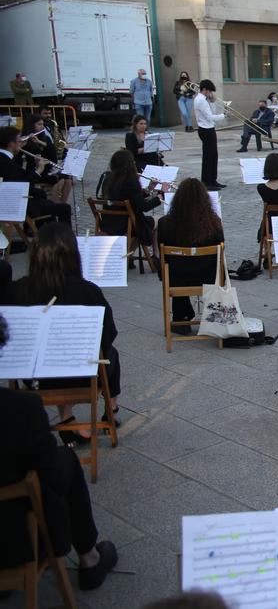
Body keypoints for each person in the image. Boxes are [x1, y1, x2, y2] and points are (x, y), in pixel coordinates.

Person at [5, 223, 125, 437]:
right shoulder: (88, 291)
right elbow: (108, 337)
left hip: (35, 378)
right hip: (83, 376)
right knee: (110, 354)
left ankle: (66, 417)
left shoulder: (17, 291)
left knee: (52, 353)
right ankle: (110, 408)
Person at [0, 381, 119, 591]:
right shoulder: (20, 407)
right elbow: (52, 477)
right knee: (64, 460)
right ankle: (89, 558)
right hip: (13, 542)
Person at [157, 178, 224, 334]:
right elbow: (221, 251)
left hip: (176, 279)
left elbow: (163, 257)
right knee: (216, 264)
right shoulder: (214, 224)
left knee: (174, 266)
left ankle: (181, 318)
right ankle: (214, 315)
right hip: (209, 278)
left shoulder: (164, 224)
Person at [0, 126, 71, 226]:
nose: (21, 142)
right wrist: (39, 170)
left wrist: (36, 167)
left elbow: (20, 175)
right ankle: (63, 239)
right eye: (19, 140)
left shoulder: (5, 158)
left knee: (44, 198)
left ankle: (43, 232)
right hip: (15, 204)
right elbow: (24, 184)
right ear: (11, 144)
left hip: (15, 199)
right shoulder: (5, 162)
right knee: (65, 208)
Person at [100, 149, 162, 247]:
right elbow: (143, 207)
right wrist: (159, 198)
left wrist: (148, 189)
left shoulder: (107, 179)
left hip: (107, 224)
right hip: (126, 224)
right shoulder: (131, 181)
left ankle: (129, 256)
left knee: (141, 226)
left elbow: (133, 197)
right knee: (159, 220)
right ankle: (155, 256)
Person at [192, 79, 226, 190]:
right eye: (210, 91)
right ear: (205, 90)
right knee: (208, 157)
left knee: (213, 155)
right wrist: (223, 115)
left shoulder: (204, 100)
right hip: (206, 130)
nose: (211, 93)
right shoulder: (200, 100)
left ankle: (212, 180)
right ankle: (207, 182)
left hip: (209, 128)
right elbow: (210, 117)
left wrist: (212, 102)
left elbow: (211, 112)